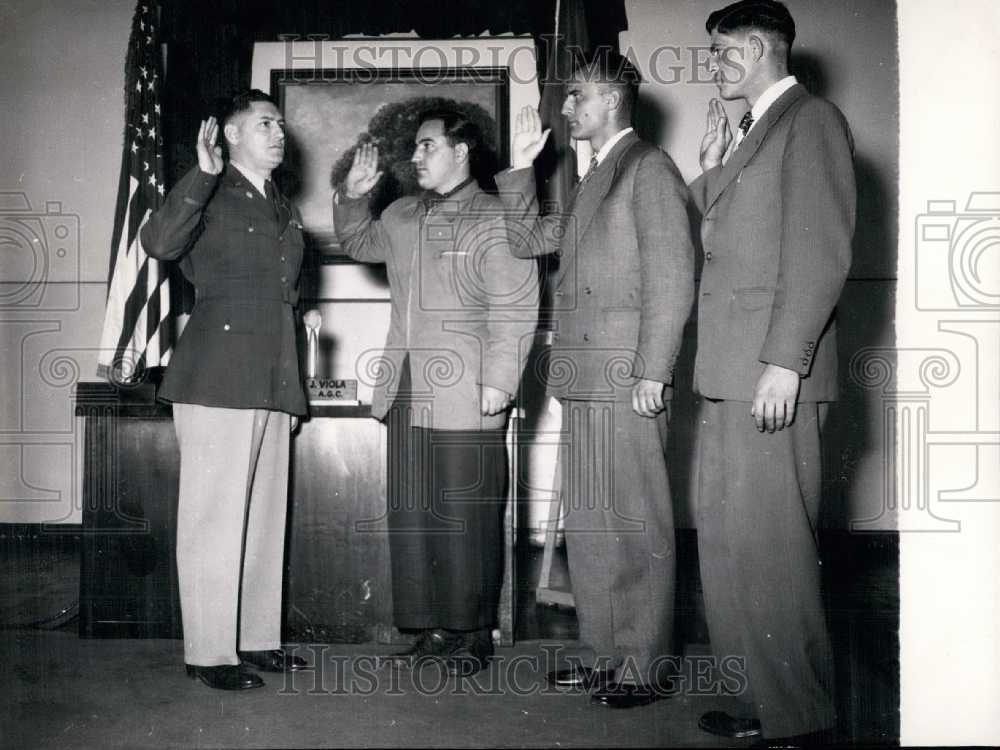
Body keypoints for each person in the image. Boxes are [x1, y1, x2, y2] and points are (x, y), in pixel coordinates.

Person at [498, 50, 695, 708]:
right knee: (590, 524)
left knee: (636, 523)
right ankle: (603, 654)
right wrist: (523, 167)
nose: (566, 107)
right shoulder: (594, 177)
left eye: (576, 95)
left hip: (627, 376)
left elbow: (672, 280)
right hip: (583, 378)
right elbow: (527, 241)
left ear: (610, 100)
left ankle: (642, 666)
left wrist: (654, 370)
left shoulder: (648, 170)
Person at [689, 0, 856, 743]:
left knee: (776, 548)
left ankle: (803, 716)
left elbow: (821, 255)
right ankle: (760, 701)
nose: (714, 68)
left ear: (756, 49)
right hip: (727, 372)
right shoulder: (750, 136)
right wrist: (710, 172)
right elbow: (731, 240)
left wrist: (786, 363)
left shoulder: (810, 122)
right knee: (728, 544)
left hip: (769, 372)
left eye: (721, 53)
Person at [333, 108, 539, 675]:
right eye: (416, 149)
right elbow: (355, 241)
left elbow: (516, 305)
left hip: (466, 390)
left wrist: (501, 379)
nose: (416, 157)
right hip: (405, 386)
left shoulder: (497, 218)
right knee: (415, 516)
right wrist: (352, 197)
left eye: (427, 147)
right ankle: (432, 627)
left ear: (461, 150)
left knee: (465, 516)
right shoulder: (399, 214)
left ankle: (474, 632)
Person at [142, 89, 309, 690]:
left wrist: (291, 390)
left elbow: (286, 303)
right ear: (232, 135)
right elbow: (159, 243)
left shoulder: (282, 206)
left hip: (270, 378)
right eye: (265, 123)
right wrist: (200, 174)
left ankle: (256, 639)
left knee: (264, 519)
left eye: (280, 125)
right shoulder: (210, 188)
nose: (278, 132)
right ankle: (211, 651)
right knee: (214, 519)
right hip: (215, 376)